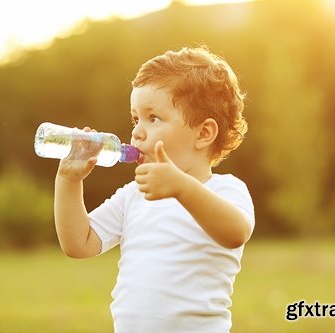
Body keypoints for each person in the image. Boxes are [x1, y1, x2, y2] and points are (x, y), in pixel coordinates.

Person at [54, 46, 255, 333]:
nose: (136, 132)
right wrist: (69, 182)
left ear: (203, 133)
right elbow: (79, 244)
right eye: (136, 119)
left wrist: (181, 187)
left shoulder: (225, 189)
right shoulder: (134, 194)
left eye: (153, 118)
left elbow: (236, 233)